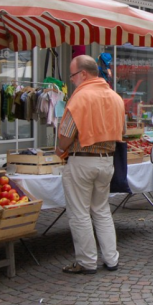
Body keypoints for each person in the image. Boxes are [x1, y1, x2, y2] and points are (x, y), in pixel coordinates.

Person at [56, 55, 125, 274]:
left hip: (82, 160)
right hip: (107, 161)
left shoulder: (80, 97)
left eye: (73, 75)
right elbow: (122, 132)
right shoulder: (115, 97)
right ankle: (111, 259)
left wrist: (59, 149)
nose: (72, 80)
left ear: (83, 74)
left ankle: (86, 262)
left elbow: (66, 134)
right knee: (102, 210)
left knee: (80, 213)